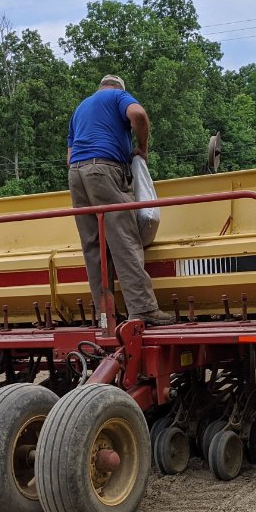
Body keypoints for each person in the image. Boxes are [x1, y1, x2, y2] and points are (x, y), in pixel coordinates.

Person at [66, 74, 174, 326]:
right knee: (123, 238)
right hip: (104, 170)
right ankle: (143, 309)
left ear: (100, 86)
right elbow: (138, 115)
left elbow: (70, 155)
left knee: (94, 247)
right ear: (118, 87)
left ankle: (105, 315)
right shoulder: (117, 96)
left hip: (76, 175)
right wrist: (142, 148)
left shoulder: (80, 108)